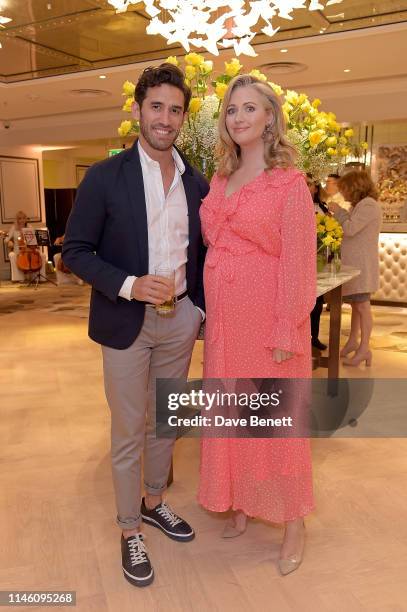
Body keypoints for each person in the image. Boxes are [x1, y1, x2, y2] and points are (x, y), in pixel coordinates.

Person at [62, 63, 208, 588]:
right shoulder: (105, 177)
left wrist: (201, 310)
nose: (165, 118)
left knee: (163, 423)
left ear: (182, 118)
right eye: (156, 107)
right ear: (137, 110)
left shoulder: (197, 182)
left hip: (180, 321)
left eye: (174, 110)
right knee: (128, 430)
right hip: (126, 321)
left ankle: (153, 503)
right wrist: (127, 283)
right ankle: (130, 530)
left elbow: (204, 254)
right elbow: (75, 252)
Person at [198, 75, 316, 576]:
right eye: (231, 110)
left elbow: (299, 261)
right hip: (225, 321)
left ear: (270, 117)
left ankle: (293, 523)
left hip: (268, 320)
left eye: (249, 108)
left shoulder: (289, 182)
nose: (238, 117)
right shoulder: (220, 179)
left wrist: (289, 328)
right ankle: (239, 501)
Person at [328, 170, 381, 367]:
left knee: (362, 306)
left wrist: (339, 212)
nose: (343, 194)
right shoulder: (361, 205)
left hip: (362, 265)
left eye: (345, 189)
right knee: (356, 306)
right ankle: (353, 342)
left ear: (354, 187)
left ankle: (364, 348)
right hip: (356, 264)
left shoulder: (368, 205)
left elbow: (350, 229)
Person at [306, 175, 328, 351]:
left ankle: (314, 336)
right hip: (301, 258)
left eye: (309, 184)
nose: (307, 187)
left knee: (317, 302)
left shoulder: (322, 207)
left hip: (317, 257)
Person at [4, 210, 47, 282]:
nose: (22, 220)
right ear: (17, 220)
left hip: (30, 249)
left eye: (24, 218)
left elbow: (34, 238)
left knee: (41, 255)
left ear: (26, 219)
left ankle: (38, 277)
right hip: (19, 250)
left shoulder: (29, 226)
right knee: (13, 255)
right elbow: (6, 239)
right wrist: (10, 241)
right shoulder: (14, 228)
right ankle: (19, 278)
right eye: (20, 218)